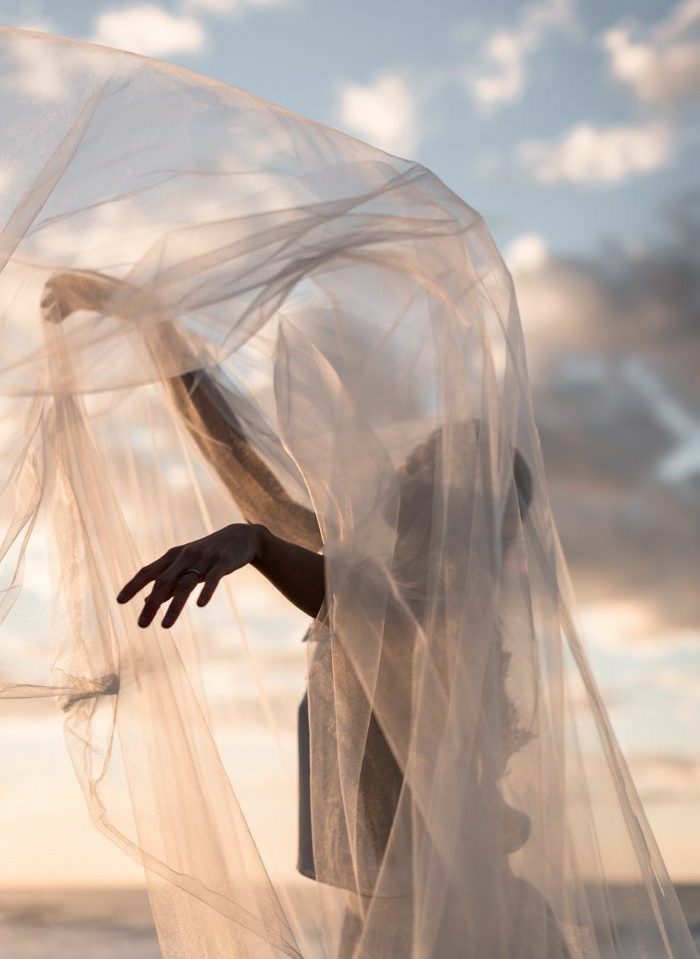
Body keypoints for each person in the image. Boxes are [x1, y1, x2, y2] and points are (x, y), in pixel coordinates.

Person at [41, 268, 573, 958]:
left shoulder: (441, 617)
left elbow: (361, 608)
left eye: (426, 468)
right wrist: (153, 325)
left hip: (459, 929)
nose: (402, 471)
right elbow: (240, 463)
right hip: (388, 922)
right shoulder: (367, 581)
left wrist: (257, 542)